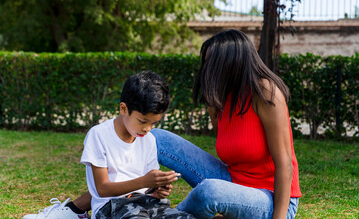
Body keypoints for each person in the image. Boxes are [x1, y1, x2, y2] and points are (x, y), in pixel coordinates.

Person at [23, 29, 301, 219]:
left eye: (210, 66)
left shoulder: (266, 93)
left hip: (272, 198)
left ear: (230, 65)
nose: (205, 72)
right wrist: (148, 185)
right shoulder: (222, 97)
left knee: (209, 192)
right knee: (160, 138)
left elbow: (285, 163)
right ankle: (75, 209)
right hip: (235, 180)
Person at [22, 71, 195, 219]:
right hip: (111, 207)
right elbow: (102, 189)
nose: (148, 128)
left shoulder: (148, 139)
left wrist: (157, 189)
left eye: (154, 123)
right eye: (143, 121)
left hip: (145, 202)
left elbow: (146, 185)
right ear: (123, 109)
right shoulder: (99, 135)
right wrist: (144, 181)